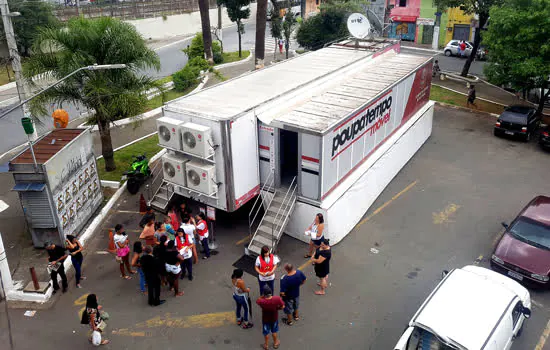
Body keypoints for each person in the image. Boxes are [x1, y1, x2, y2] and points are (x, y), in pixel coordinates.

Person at [256, 285, 284, 350]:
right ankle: (275, 343)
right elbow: (283, 306)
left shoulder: (261, 301)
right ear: (271, 292)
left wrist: (262, 296)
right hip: (274, 318)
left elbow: (257, 300)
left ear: (264, 294)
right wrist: (277, 308)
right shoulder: (277, 299)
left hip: (265, 319)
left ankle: (266, 345)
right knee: (274, 331)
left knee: (266, 332)